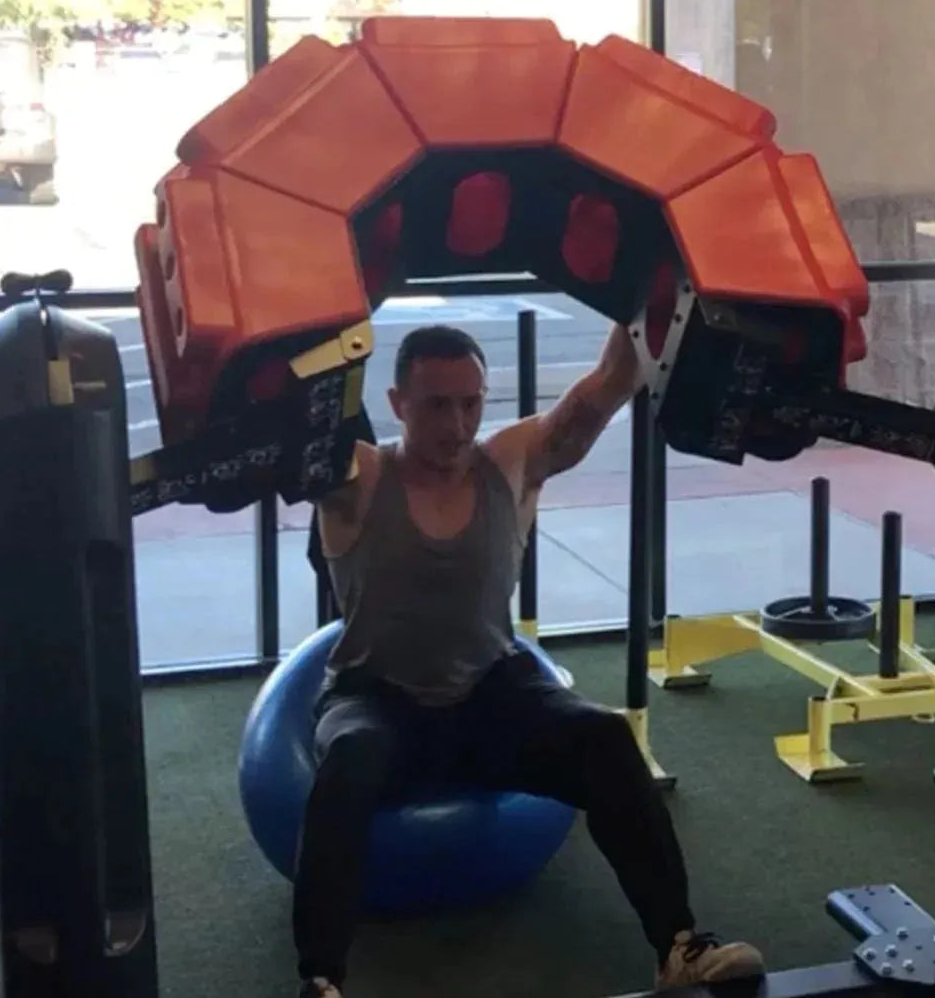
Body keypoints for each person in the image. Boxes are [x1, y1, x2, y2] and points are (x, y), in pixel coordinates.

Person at [296, 322, 765, 998]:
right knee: (349, 760)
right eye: (436, 405)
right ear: (397, 403)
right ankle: (321, 979)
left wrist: (645, 302)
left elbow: (604, 390)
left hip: (491, 692)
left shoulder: (508, 463)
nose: (457, 425)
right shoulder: (359, 479)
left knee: (605, 736)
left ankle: (678, 946)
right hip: (376, 697)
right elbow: (293, 424)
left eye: (471, 402)